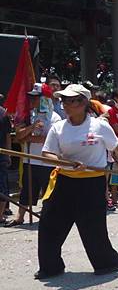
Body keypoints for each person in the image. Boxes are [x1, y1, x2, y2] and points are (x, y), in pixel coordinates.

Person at [36, 84, 118, 280]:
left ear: (84, 102)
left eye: (71, 100)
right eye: (64, 101)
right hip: (64, 180)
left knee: (92, 227)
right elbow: (47, 153)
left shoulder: (99, 125)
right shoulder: (58, 127)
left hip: (91, 183)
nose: (66, 104)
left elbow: (117, 147)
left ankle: (107, 263)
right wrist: (65, 162)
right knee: (49, 224)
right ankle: (50, 267)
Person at [6, 83, 62, 228]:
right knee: (27, 189)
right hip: (29, 159)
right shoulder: (28, 115)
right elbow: (19, 136)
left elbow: (49, 139)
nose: (32, 101)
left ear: (44, 99)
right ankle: (20, 216)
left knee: (49, 191)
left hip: (47, 160)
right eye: (31, 97)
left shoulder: (54, 118)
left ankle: (52, 215)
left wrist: (29, 137)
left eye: (36, 98)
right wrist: (31, 128)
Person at [0, 104, 11, 225]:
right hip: (3, 153)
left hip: (2, 153)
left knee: (2, 185)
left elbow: (8, 135)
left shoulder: (3, 114)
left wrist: (8, 153)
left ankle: (0, 214)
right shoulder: (4, 113)